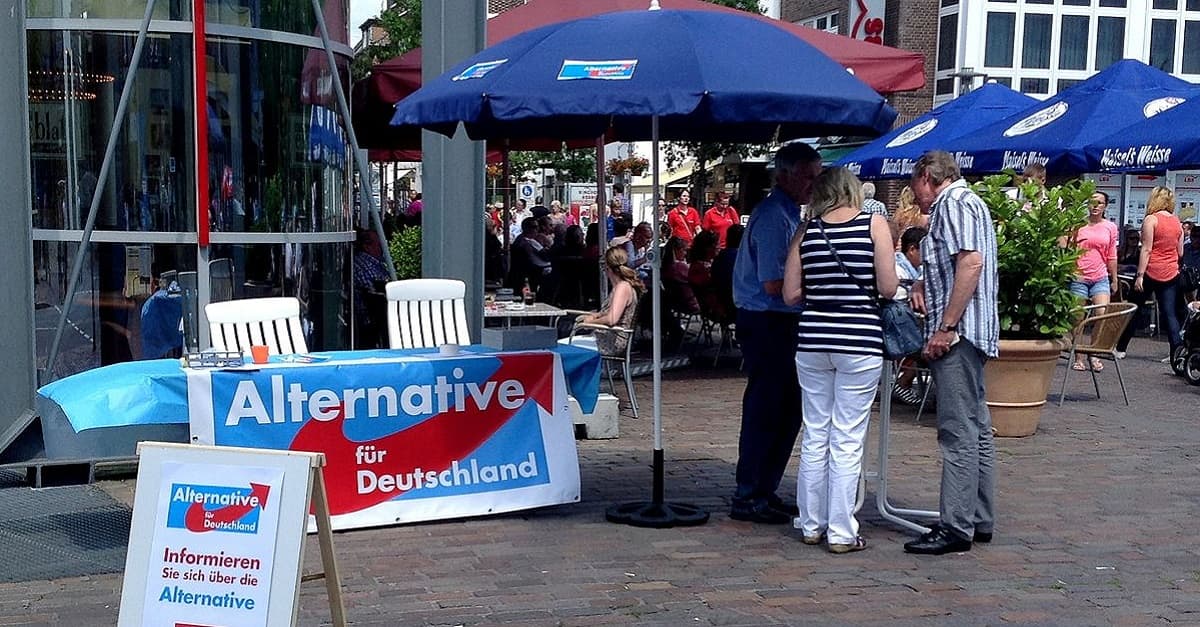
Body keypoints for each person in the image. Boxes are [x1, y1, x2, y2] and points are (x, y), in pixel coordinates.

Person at [782, 166, 897, 553]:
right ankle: (841, 531)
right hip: (859, 340)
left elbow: (790, 295)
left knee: (815, 433)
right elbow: (888, 285)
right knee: (847, 437)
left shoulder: (806, 231)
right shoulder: (874, 225)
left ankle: (811, 524)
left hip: (813, 340)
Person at [904, 150, 999, 556]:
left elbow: (971, 263)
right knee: (976, 425)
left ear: (928, 176)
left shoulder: (953, 203)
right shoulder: (969, 202)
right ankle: (977, 517)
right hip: (973, 332)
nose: (915, 198)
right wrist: (926, 282)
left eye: (915, 188)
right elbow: (961, 261)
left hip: (959, 335)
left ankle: (956, 525)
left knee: (958, 430)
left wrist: (946, 326)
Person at [730, 142, 822, 524]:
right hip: (768, 321)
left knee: (787, 411)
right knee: (768, 409)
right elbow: (772, 283)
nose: (814, 184)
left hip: (780, 319)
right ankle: (750, 493)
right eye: (809, 175)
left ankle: (764, 488)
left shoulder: (788, 214)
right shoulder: (773, 217)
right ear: (785, 174)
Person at [1116, 186, 1184, 361]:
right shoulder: (1177, 222)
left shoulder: (1151, 220)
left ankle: (1120, 348)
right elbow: (1181, 252)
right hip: (1171, 272)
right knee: (1169, 313)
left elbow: (1146, 249)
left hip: (1151, 270)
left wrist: (1139, 276)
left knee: (1134, 309)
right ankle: (1176, 353)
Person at [1067, 191, 1119, 372]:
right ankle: (1079, 356)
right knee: (1077, 318)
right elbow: (1068, 249)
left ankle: (1094, 353)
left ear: (1105, 206)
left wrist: (1114, 278)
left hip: (1100, 277)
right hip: (1079, 276)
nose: (1096, 206)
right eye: (1092, 202)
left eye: (1100, 203)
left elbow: (1112, 254)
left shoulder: (1110, 227)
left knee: (1102, 313)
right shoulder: (1078, 226)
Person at [571, 246, 644, 357]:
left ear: (607, 266)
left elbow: (612, 319)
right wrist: (596, 315)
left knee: (563, 347)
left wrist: (588, 323)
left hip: (612, 341)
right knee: (567, 345)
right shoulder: (620, 286)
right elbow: (613, 312)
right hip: (607, 337)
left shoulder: (622, 288)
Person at [892, 226, 928, 405]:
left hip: (909, 324)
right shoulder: (898, 269)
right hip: (896, 328)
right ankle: (903, 383)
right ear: (912, 249)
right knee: (924, 345)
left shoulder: (919, 271)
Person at [353, 228, 391, 348]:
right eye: (379, 245)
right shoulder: (364, 265)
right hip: (371, 319)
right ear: (367, 247)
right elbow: (376, 290)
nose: (382, 249)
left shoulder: (373, 263)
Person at [508, 216, 553, 295]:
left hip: (523, 272)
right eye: (534, 227)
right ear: (526, 228)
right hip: (530, 273)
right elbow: (544, 257)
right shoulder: (528, 241)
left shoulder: (520, 239)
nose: (537, 229)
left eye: (537, 227)